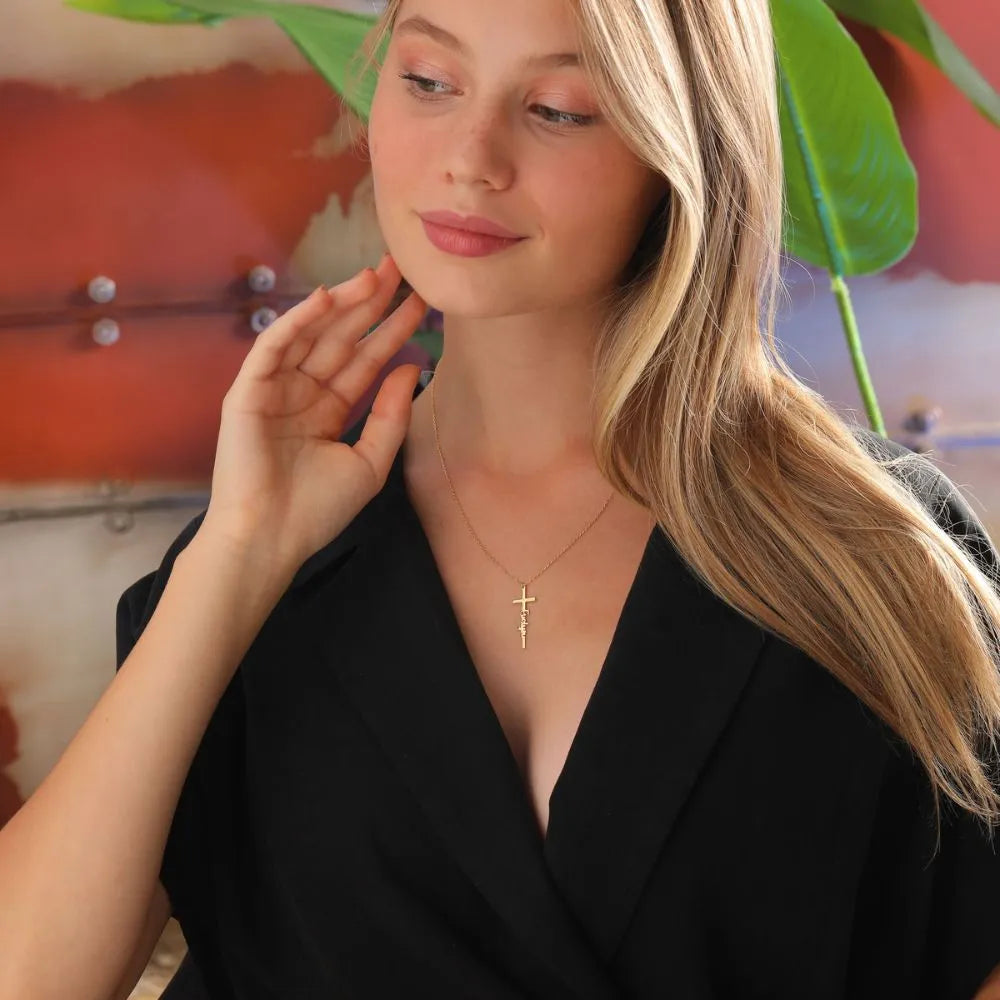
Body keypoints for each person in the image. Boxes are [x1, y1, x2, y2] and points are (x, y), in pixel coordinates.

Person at [3, 0, 1000, 997]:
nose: (470, 157)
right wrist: (239, 551)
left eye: (559, 108)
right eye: (429, 82)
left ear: (682, 142)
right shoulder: (259, 561)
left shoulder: (880, 555)